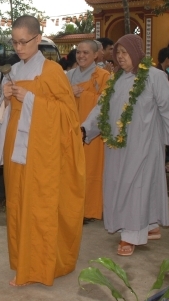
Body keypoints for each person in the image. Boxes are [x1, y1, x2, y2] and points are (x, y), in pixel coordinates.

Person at [0, 15, 85, 286]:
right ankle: (23, 262)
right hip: (15, 148)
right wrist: (6, 99)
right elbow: (2, 117)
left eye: (24, 42)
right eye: (15, 42)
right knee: (17, 204)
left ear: (38, 39)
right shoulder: (14, 71)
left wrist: (31, 99)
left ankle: (41, 266)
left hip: (41, 151)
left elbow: (69, 116)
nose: (19, 48)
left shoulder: (51, 71)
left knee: (39, 204)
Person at [83, 34, 169, 256]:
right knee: (123, 186)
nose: (121, 57)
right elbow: (102, 109)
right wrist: (85, 129)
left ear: (137, 53)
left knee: (136, 187)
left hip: (144, 145)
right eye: (118, 53)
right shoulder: (116, 79)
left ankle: (131, 235)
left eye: (125, 53)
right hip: (117, 147)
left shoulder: (154, 77)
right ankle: (149, 225)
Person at [66, 40, 110, 221]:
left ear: (95, 55)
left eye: (86, 53)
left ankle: (89, 210)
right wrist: (69, 92)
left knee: (91, 169)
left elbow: (105, 105)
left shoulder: (103, 76)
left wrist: (83, 94)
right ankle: (71, 207)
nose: (81, 56)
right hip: (70, 129)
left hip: (91, 132)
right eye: (79, 52)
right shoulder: (68, 76)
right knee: (71, 169)